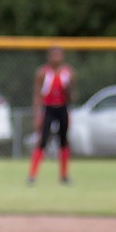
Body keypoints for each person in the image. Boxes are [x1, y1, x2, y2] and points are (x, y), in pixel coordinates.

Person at [27, 45, 76, 185]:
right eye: (53, 54)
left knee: (64, 141)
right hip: (48, 109)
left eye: (58, 54)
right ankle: (32, 175)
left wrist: (69, 92)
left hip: (62, 109)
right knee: (42, 141)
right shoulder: (43, 73)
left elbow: (72, 97)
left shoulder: (68, 73)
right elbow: (37, 95)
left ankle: (64, 175)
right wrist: (37, 115)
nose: (56, 57)